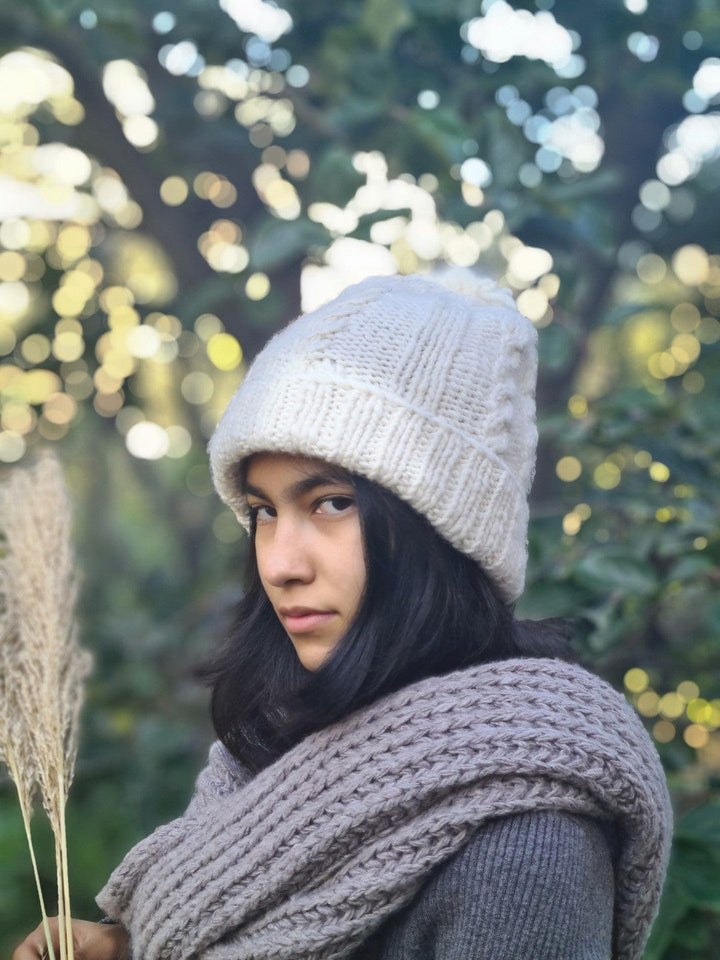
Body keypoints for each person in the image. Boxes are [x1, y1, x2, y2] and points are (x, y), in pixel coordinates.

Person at [15, 271, 673, 960]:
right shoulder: (280, 750)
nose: (279, 564)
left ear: (437, 529)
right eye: (265, 512)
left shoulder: (528, 844)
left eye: (330, 503)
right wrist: (123, 948)